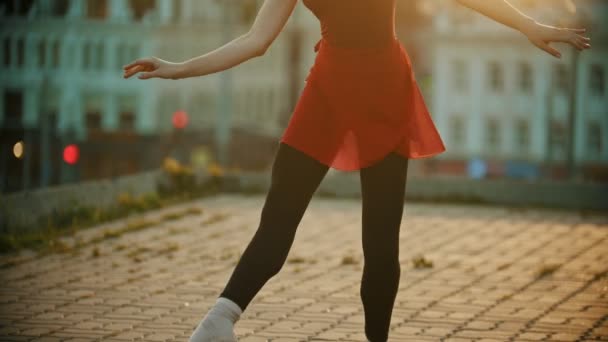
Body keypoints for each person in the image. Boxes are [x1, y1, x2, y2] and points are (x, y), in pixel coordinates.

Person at [123, 0, 590, 341]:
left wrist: (528, 25)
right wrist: (177, 69)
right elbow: (256, 41)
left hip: (384, 90)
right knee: (280, 215)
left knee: (381, 242)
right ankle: (217, 322)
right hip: (330, 87)